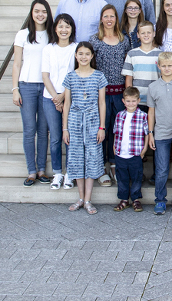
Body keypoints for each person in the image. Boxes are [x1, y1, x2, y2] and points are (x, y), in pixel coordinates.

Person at [12, 0, 55, 187]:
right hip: (27, 86)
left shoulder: (52, 34)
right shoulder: (23, 34)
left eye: (43, 11)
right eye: (37, 11)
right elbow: (16, 63)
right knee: (29, 130)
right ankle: (31, 171)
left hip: (46, 86)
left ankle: (41, 170)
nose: (40, 14)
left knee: (43, 130)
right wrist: (15, 89)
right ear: (31, 13)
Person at [62, 42, 107, 216]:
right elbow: (67, 104)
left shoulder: (99, 76)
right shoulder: (70, 77)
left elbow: (101, 103)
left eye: (87, 54)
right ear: (76, 56)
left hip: (93, 120)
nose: (83, 57)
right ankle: (80, 198)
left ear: (92, 56)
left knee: (91, 158)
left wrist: (101, 126)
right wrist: (65, 128)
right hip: (74, 122)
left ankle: (88, 199)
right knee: (76, 159)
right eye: (80, 54)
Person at [89, 4, 132, 187]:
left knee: (118, 130)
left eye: (112, 16)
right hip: (101, 94)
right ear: (101, 19)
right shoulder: (95, 40)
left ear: (116, 19)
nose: (109, 19)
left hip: (120, 93)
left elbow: (128, 66)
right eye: (106, 16)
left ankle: (114, 163)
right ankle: (101, 167)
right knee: (102, 130)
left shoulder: (124, 39)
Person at [147, 51, 172, 215]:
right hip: (161, 134)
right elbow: (151, 112)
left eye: (170, 65)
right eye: (163, 66)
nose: (166, 68)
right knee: (162, 169)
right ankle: (160, 200)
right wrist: (150, 133)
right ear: (158, 66)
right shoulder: (153, 87)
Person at [41, 13, 77, 190]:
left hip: (70, 98)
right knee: (55, 137)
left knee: (69, 136)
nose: (64, 29)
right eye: (61, 26)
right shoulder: (49, 49)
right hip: (50, 98)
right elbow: (45, 76)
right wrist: (56, 96)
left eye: (67, 26)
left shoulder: (76, 48)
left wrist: (63, 96)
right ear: (55, 28)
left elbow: (75, 74)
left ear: (72, 29)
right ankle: (57, 173)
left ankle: (70, 173)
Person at [112, 86, 149, 213]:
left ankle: (136, 199)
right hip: (121, 153)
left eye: (133, 101)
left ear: (138, 100)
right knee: (122, 178)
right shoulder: (119, 115)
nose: (131, 104)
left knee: (136, 177)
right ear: (123, 101)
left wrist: (144, 150)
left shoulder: (143, 116)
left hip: (135, 153)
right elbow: (116, 132)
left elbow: (147, 134)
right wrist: (114, 146)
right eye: (128, 101)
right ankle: (123, 200)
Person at [122, 21, 161, 109]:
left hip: (155, 100)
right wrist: (131, 98)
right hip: (137, 100)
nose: (146, 35)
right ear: (138, 35)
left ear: (154, 34)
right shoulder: (132, 54)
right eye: (143, 33)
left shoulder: (160, 54)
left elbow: (162, 77)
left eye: (149, 32)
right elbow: (129, 79)